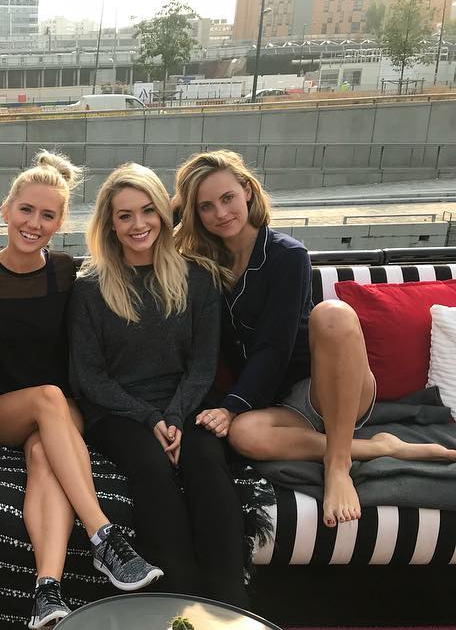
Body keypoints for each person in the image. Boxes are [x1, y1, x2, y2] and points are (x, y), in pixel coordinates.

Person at [173, 150, 456, 529]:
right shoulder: (203, 264)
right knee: (243, 435)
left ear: (248, 192)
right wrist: (179, 208)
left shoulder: (287, 255)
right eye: (206, 207)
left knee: (332, 314)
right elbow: (155, 240)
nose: (221, 213)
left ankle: (338, 466)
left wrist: (232, 406)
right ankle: (377, 447)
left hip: (328, 388)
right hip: (281, 405)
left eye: (228, 198)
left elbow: (274, 348)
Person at [0, 151, 162, 630]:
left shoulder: (69, 275)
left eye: (48, 215)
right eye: (26, 210)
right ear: (6, 210)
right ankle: (103, 534)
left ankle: (46, 591)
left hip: (60, 415)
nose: (34, 223)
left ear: (60, 223)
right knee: (47, 396)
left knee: (45, 451)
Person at [68, 163, 249, 606]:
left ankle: (231, 604)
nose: (138, 224)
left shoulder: (197, 277)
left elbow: (203, 363)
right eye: (125, 215)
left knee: (205, 461)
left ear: (163, 216)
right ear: (110, 224)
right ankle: (177, 602)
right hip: (117, 410)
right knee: (150, 467)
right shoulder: (90, 287)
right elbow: (88, 376)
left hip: (186, 401)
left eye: (148, 210)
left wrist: (174, 416)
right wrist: (151, 419)